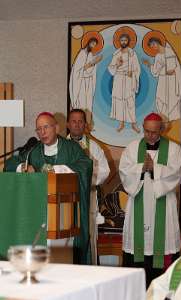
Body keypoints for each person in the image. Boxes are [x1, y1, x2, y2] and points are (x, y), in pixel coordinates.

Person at [14, 112, 93, 265]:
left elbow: (86, 165)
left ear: (56, 127)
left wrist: (58, 170)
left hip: (66, 216)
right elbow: (12, 163)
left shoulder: (71, 148)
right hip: (39, 214)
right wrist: (23, 167)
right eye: (38, 129)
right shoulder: (33, 151)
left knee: (65, 260)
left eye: (46, 127)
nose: (42, 132)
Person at [119, 112, 181, 288]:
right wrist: (141, 168)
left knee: (162, 250)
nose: (149, 135)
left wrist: (155, 168)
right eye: (146, 131)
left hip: (163, 204)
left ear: (161, 129)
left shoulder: (174, 149)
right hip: (138, 202)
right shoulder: (132, 148)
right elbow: (124, 172)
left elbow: (177, 174)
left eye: (154, 132)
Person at [67, 108, 110, 264]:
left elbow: (105, 170)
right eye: (74, 121)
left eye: (80, 121)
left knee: (88, 234)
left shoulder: (94, 147)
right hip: (66, 200)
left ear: (85, 124)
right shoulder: (61, 146)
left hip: (88, 197)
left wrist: (84, 178)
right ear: (68, 124)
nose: (77, 125)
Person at [143, 31, 181, 121]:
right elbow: (155, 72)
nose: (153, 47)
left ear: (157, 42)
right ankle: (164, 119)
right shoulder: (157, 56)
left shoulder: (169, 52)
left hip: (171, 82)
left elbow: (171, 71)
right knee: (160, 98)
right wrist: (149, 64)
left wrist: (163, 71)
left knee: (171, 100)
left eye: (153, 44)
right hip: (163, 81)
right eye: (151, 46)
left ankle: (172, 119)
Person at [108, 26, 140, 133]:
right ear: (119, 42)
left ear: (129, 41)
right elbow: (110, 68)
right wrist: (117, 64)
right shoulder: (116, 54)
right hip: (118, 79)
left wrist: (133, 73)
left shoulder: (132, 54)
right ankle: (121, 123)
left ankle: (133, 124)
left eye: (125, 40)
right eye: (122, 40)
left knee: (130, 101)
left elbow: (137, 68)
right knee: (119, 101)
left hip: (129, 80)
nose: (123, 41)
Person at [69, 31, 104, 127]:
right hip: (80, 85)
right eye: (92, 43)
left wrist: (94, 62)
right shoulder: (82, 53)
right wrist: (94, 62)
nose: (93, 46)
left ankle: (86, 125)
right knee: (81, 106)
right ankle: (78, 126)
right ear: (88, 43)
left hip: (87, 84)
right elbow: (79, 69)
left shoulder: (90, 54)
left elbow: (90, 70)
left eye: (94, 45)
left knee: (87, 105)